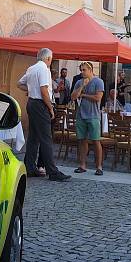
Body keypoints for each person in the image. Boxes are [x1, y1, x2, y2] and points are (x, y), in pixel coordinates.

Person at [17, 48, 70, 181]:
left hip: (31, 103)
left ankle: (29, 167)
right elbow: (44, 90)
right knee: (46, 138)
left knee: (33, 137)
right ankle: (52, 171)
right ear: (48, 58)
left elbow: (19, 84)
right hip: (40, 104)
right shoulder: (44, 70)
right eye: (51, 59)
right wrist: (50, 108)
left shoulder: (31, 68)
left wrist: (30, 90)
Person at [71, 62, 105, 175]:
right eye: (81, 70)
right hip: (81, 115)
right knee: (82, 140)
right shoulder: (79, 82)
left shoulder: (98, 81)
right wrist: (81, 87)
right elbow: (73, 97)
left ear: (90, 70)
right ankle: (82, 165)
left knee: (96, 141)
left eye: (84, 70)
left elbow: (98, 97)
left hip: (93, 115)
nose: (82, 72)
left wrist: (84, 95)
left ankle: (99, 166)